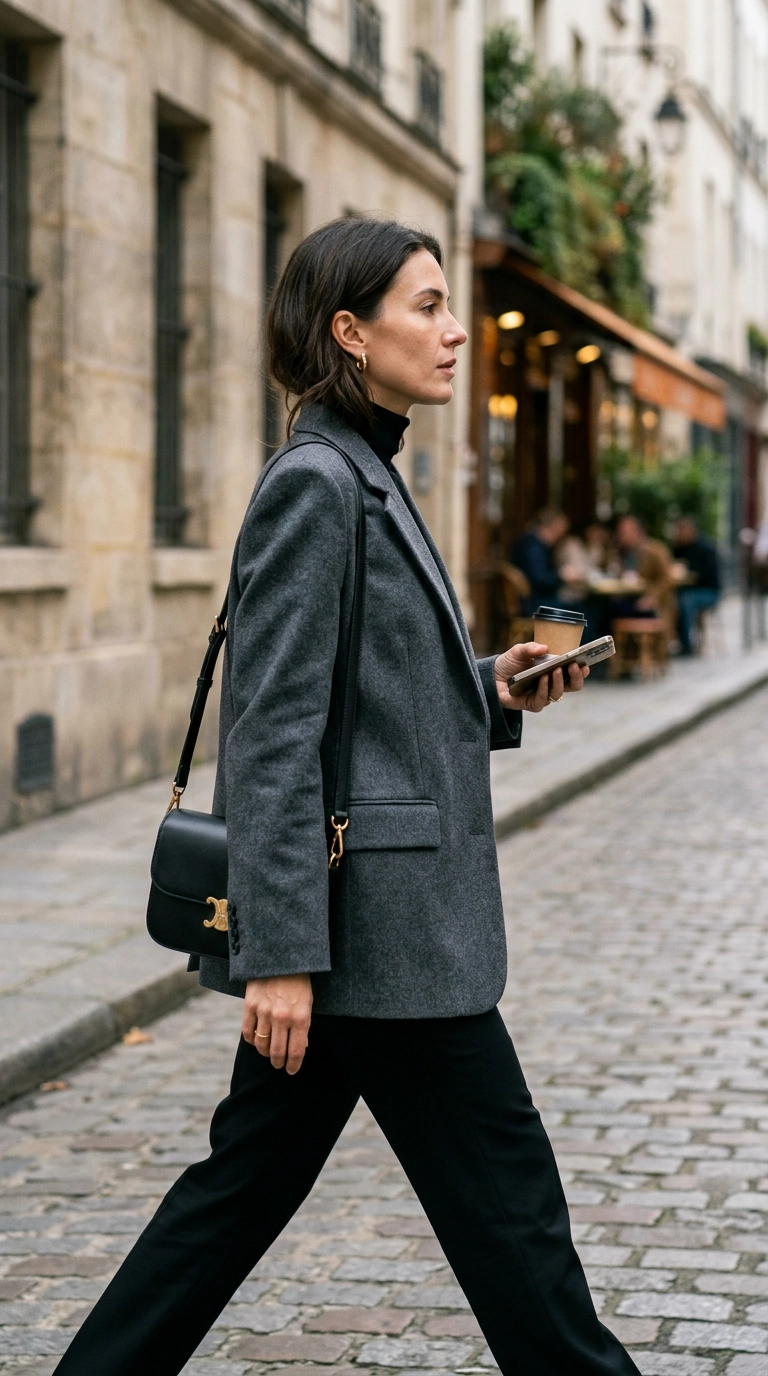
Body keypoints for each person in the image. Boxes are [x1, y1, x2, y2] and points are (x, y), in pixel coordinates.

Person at [54, 218, 639, 1376]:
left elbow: (368, 700)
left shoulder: (364, 466)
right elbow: (272, 733)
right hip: (382, 944)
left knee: (228, 1206)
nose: (455, 328)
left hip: (373, 940)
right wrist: (277, 953)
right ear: (349, 331)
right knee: (518, 1232)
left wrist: (492, 684)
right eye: (425, 305)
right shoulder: (320, 483)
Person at [511, 507, 582, 615]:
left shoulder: (532, 544)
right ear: (554, 527)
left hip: (533, 600)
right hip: (532, 603)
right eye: (561, 531)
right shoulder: (532, 547)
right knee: (582, 608)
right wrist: (561, 576)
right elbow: (539, 580)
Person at [611, 513, 675, 630]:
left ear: (638, 531)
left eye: (625, 531)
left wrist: (652, 598)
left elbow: (667, 579)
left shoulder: (656, 550)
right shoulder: (618, 551)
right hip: (625, 598)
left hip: (647, 601)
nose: (621, 534)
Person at [672, 515, 721, 655]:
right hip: (685, 590)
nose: (680, 535)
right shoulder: (679, 548)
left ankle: (687, 646)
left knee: (685, 602)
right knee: (673, 601)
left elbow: (708, 574)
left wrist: (688, 570)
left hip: (708, 592)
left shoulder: (706, 547)